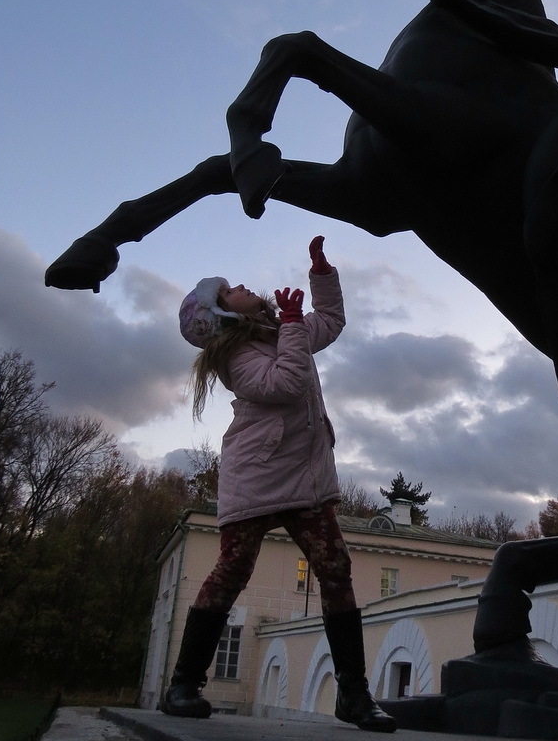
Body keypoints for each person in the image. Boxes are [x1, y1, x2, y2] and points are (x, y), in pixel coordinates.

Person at [162, 237, 396, 732]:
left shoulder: (279, 330)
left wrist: (322, 276)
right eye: (228, 291)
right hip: (257, 477)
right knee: (233, 569)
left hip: (304, 478)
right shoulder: (237, 355)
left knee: (335, 568)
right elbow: (286, 385)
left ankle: (353, 695)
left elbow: (329, 321)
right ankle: (183, 684)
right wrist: (290, 325)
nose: (242, 287)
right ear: (222, 314)